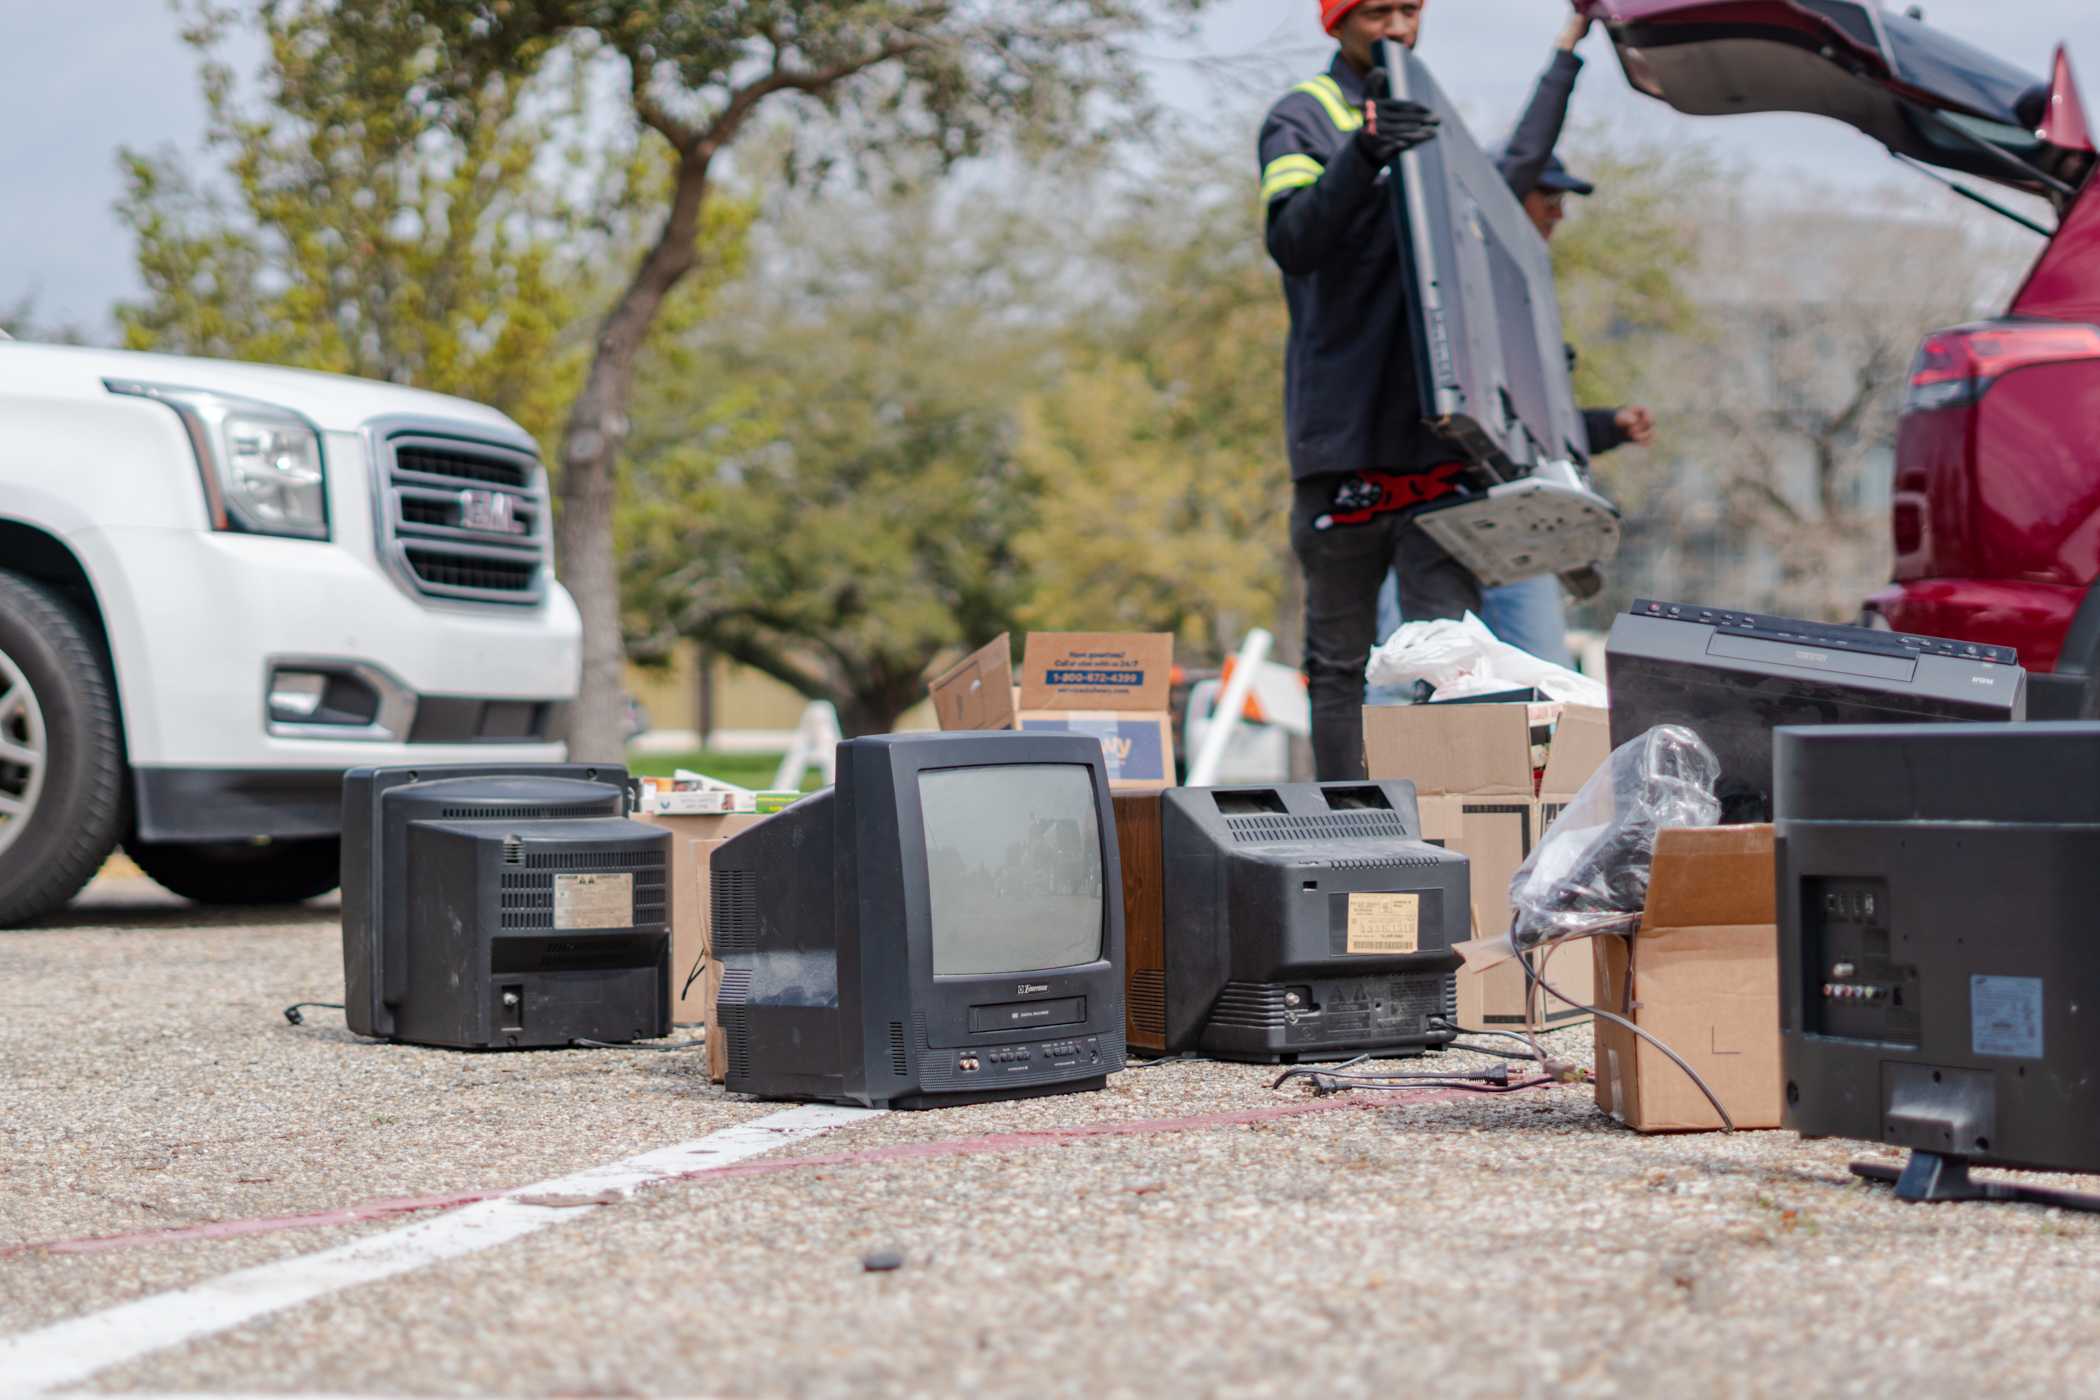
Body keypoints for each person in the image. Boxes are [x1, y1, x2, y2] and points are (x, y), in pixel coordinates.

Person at [1370, 11, 1656, 674]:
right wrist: (1567, 47)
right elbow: (1525, 150)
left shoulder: (1527, 305)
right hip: (1438, 507)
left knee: (1536, 677)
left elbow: (1538, 427)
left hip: (1514, 515)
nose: (1557, 211)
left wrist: (1609, 426)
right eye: (1547, 197)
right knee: (1418, 670)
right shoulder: (1464, 260)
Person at [1260, 0, 1477, 781]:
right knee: (1338, 666)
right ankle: (1349, 839)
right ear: (1338, 20)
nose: (1397, 27)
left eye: (1410, 9)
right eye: (1377, 10)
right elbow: (1292, 240)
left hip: (1437, 441)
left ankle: (1452, 841)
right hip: (1344, 442)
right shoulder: (1302, 115)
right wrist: (1362, 152)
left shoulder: (1433, 116)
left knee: (1452, 663)